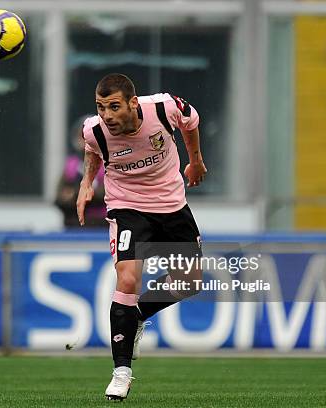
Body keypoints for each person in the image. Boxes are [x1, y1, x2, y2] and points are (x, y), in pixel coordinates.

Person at [76, 73, 207, 400]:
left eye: (114, 107)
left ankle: (135, 317)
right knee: (128, 278)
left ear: (133, 103)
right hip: (127, 206)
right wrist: (85, 184)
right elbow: (92, 150)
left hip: (172, 203)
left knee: (189, 280)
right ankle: (121, 373)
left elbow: (191, 122)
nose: (107, 115)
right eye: (101, 107)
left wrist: (196, 161)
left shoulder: (164, 108)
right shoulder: (94, 130)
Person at [55, 116, 107, 227]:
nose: (86, 141)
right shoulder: (70, 165)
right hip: (74, 224)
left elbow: (107, 194)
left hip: (102, 224)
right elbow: (59, 197)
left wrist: (75, 194)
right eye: (82, 136)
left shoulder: (109, 163)